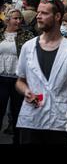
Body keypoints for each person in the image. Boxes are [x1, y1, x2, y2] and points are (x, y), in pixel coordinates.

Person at [15, 0, 67, 144]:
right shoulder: (28, 47)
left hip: (61, 122)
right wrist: (26, 91)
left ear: (57, 17)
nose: (38, 16)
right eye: (38, 12)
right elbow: (20, 82)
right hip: (31, 120)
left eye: (44, 13)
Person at [0, 9, 34, 144]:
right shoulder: (0, 34)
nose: (18, 21)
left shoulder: (27, 35)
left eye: (20, 18)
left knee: (17, 112)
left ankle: (17, 140)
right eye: (15, 18)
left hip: (18, 79)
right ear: (7, 19)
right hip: (1, 78)